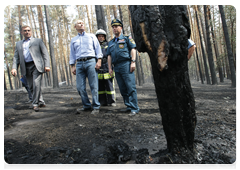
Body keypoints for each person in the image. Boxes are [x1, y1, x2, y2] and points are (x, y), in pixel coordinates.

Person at [11, 25, 50, 112]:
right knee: (31, 86)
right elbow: (16, 57)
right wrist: (14, 68)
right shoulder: (18, 44)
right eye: (25, 31)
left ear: (31, 31)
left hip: (37, 66)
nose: (27, 32)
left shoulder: (38, 41)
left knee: (36, 84)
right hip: (25, 67)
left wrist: (47, 65)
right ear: (22, 32)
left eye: (28, 30)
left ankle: (35, 103)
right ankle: (41, 101)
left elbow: (45, 54)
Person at [107, 19, 139, 116]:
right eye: (113, 27)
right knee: (122, 88)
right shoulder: (111, 42)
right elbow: (109, 56)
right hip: (116, 66)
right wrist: (109, 68)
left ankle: (134, 108)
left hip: (126, 64)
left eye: (116, 26)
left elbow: (133, 49)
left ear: (121, 27)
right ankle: (128, 105)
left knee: (130, 87)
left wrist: (133, 62)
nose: (114, 28)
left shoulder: (126, 38)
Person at [69, 20, 103, 115]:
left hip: (91, 62)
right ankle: (86, 105)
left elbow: (98, 49)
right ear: (75, 27)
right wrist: (72, 66)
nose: (81, 24)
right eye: (79, 23)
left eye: (83, 22)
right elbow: (72, 54)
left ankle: (96, 106)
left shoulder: (91, 36)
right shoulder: (73, 40)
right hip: (79, 64)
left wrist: (99, 61)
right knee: (80, 87)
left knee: (94, 85)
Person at [95, 29, 116, 107]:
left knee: (109, 85)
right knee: (100, 86)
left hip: (107, 66)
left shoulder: (108, 44)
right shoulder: (94, 46)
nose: (101, 38)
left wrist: (111, 67)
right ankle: (102, 101)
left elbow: (111, 55)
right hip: (98, 68)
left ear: (105, 37)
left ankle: (112, 101)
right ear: (96, 37)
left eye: (102, 36)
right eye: (99, 36)